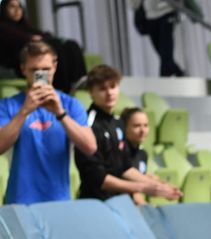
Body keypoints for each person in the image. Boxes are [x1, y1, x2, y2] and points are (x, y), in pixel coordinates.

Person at [0, 41, 95, 204]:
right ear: (23, 69)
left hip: (58, 200)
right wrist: (24, 111)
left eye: (45, 70)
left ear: (55, 66)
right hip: (19, 200)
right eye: (34, 70)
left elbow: (90, 147)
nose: (40, 75)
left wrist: (60, 113)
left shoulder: (70, 104)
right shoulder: (9, 105)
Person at [74, 65, 181, 203]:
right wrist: (142, 188)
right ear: (91, 92)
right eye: (102, 89)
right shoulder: (88, 125)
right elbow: (98, 178)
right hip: (96, 202)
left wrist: (159, 187)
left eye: (113, 87)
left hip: (119, 202)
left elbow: (124, 167)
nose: (109, 93)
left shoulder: (117, 122)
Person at [0, 0, 86, 92]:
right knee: (54, 46)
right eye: (12, 7)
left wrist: (42, 38)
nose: (17, 10)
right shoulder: (3, 27)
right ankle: (63, 87)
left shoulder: (25, 26)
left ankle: (79, 81)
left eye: (19, 7)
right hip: (19, 63)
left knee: (70, 44)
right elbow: (24, 38)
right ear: (4, 9)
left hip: (37, 57)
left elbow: (40, 36)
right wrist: (32, 38)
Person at [132, 0, 185, 77]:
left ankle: (164, 77)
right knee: (161, 50)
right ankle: (179, 73)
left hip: (167, 9)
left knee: (165, 48)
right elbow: (135, 4)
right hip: (150, 14)